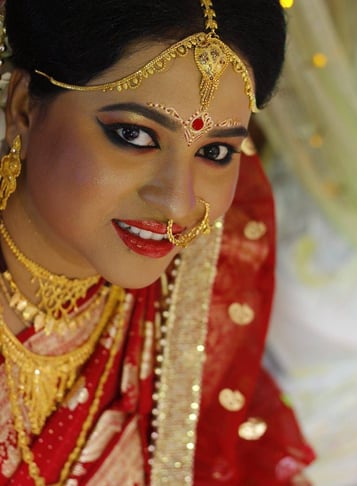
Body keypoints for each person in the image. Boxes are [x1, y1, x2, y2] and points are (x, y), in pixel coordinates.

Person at [0, 0, 315, 484]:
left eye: (214, 152)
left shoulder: (196, 291)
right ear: (23, 104)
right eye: (134, 134)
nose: (176, 203)